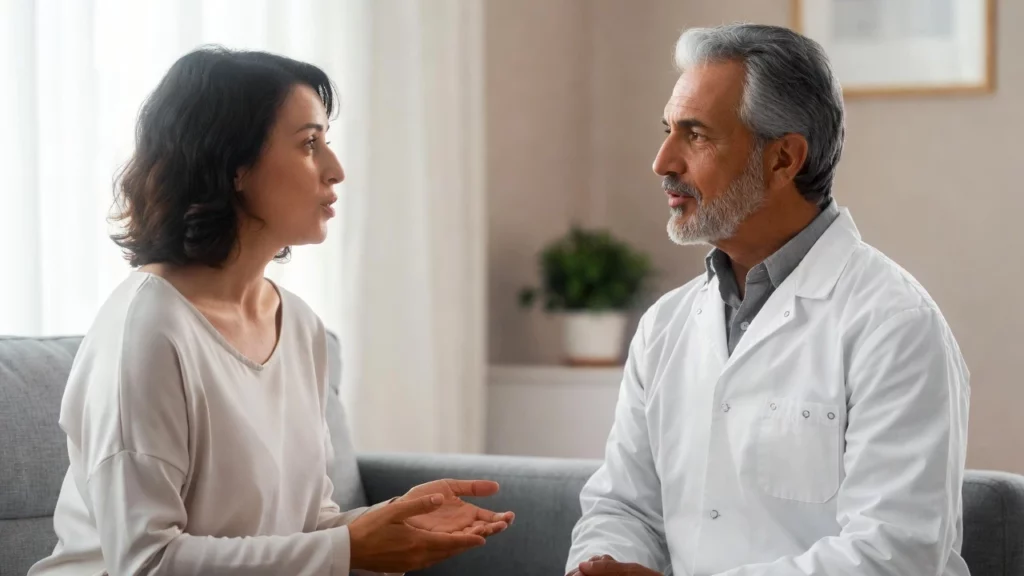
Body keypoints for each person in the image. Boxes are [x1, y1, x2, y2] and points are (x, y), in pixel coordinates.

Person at [29, 47, 514, 576]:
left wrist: (390, 523)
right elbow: (146, 562)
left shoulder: (300, 325)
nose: (335, 170)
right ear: (233, 166)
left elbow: (304, 528)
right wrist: (350, 548)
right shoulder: (146, 332)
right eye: (309, 144)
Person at [566, 23, 970, 576]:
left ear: (783, 159)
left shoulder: (895, 324)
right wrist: (601, 566)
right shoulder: (664, 326)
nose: (663, 162)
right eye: (667, 130)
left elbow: (893, 554)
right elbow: (623, 508)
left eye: (696, 135)